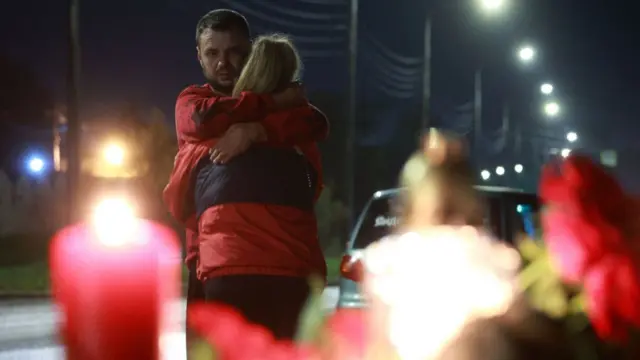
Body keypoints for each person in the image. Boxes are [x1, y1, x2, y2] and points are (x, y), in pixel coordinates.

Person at [163, 9, 328, 353]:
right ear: (199, 55)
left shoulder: (289, 113)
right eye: (212, 53)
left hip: (234, 263)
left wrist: (257, 130)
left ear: (250, 51)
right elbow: (207, 120)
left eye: (234, 51)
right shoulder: (193, 101)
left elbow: (315, 123)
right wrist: (270, 106)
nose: (223, 62)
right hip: (208, 261)